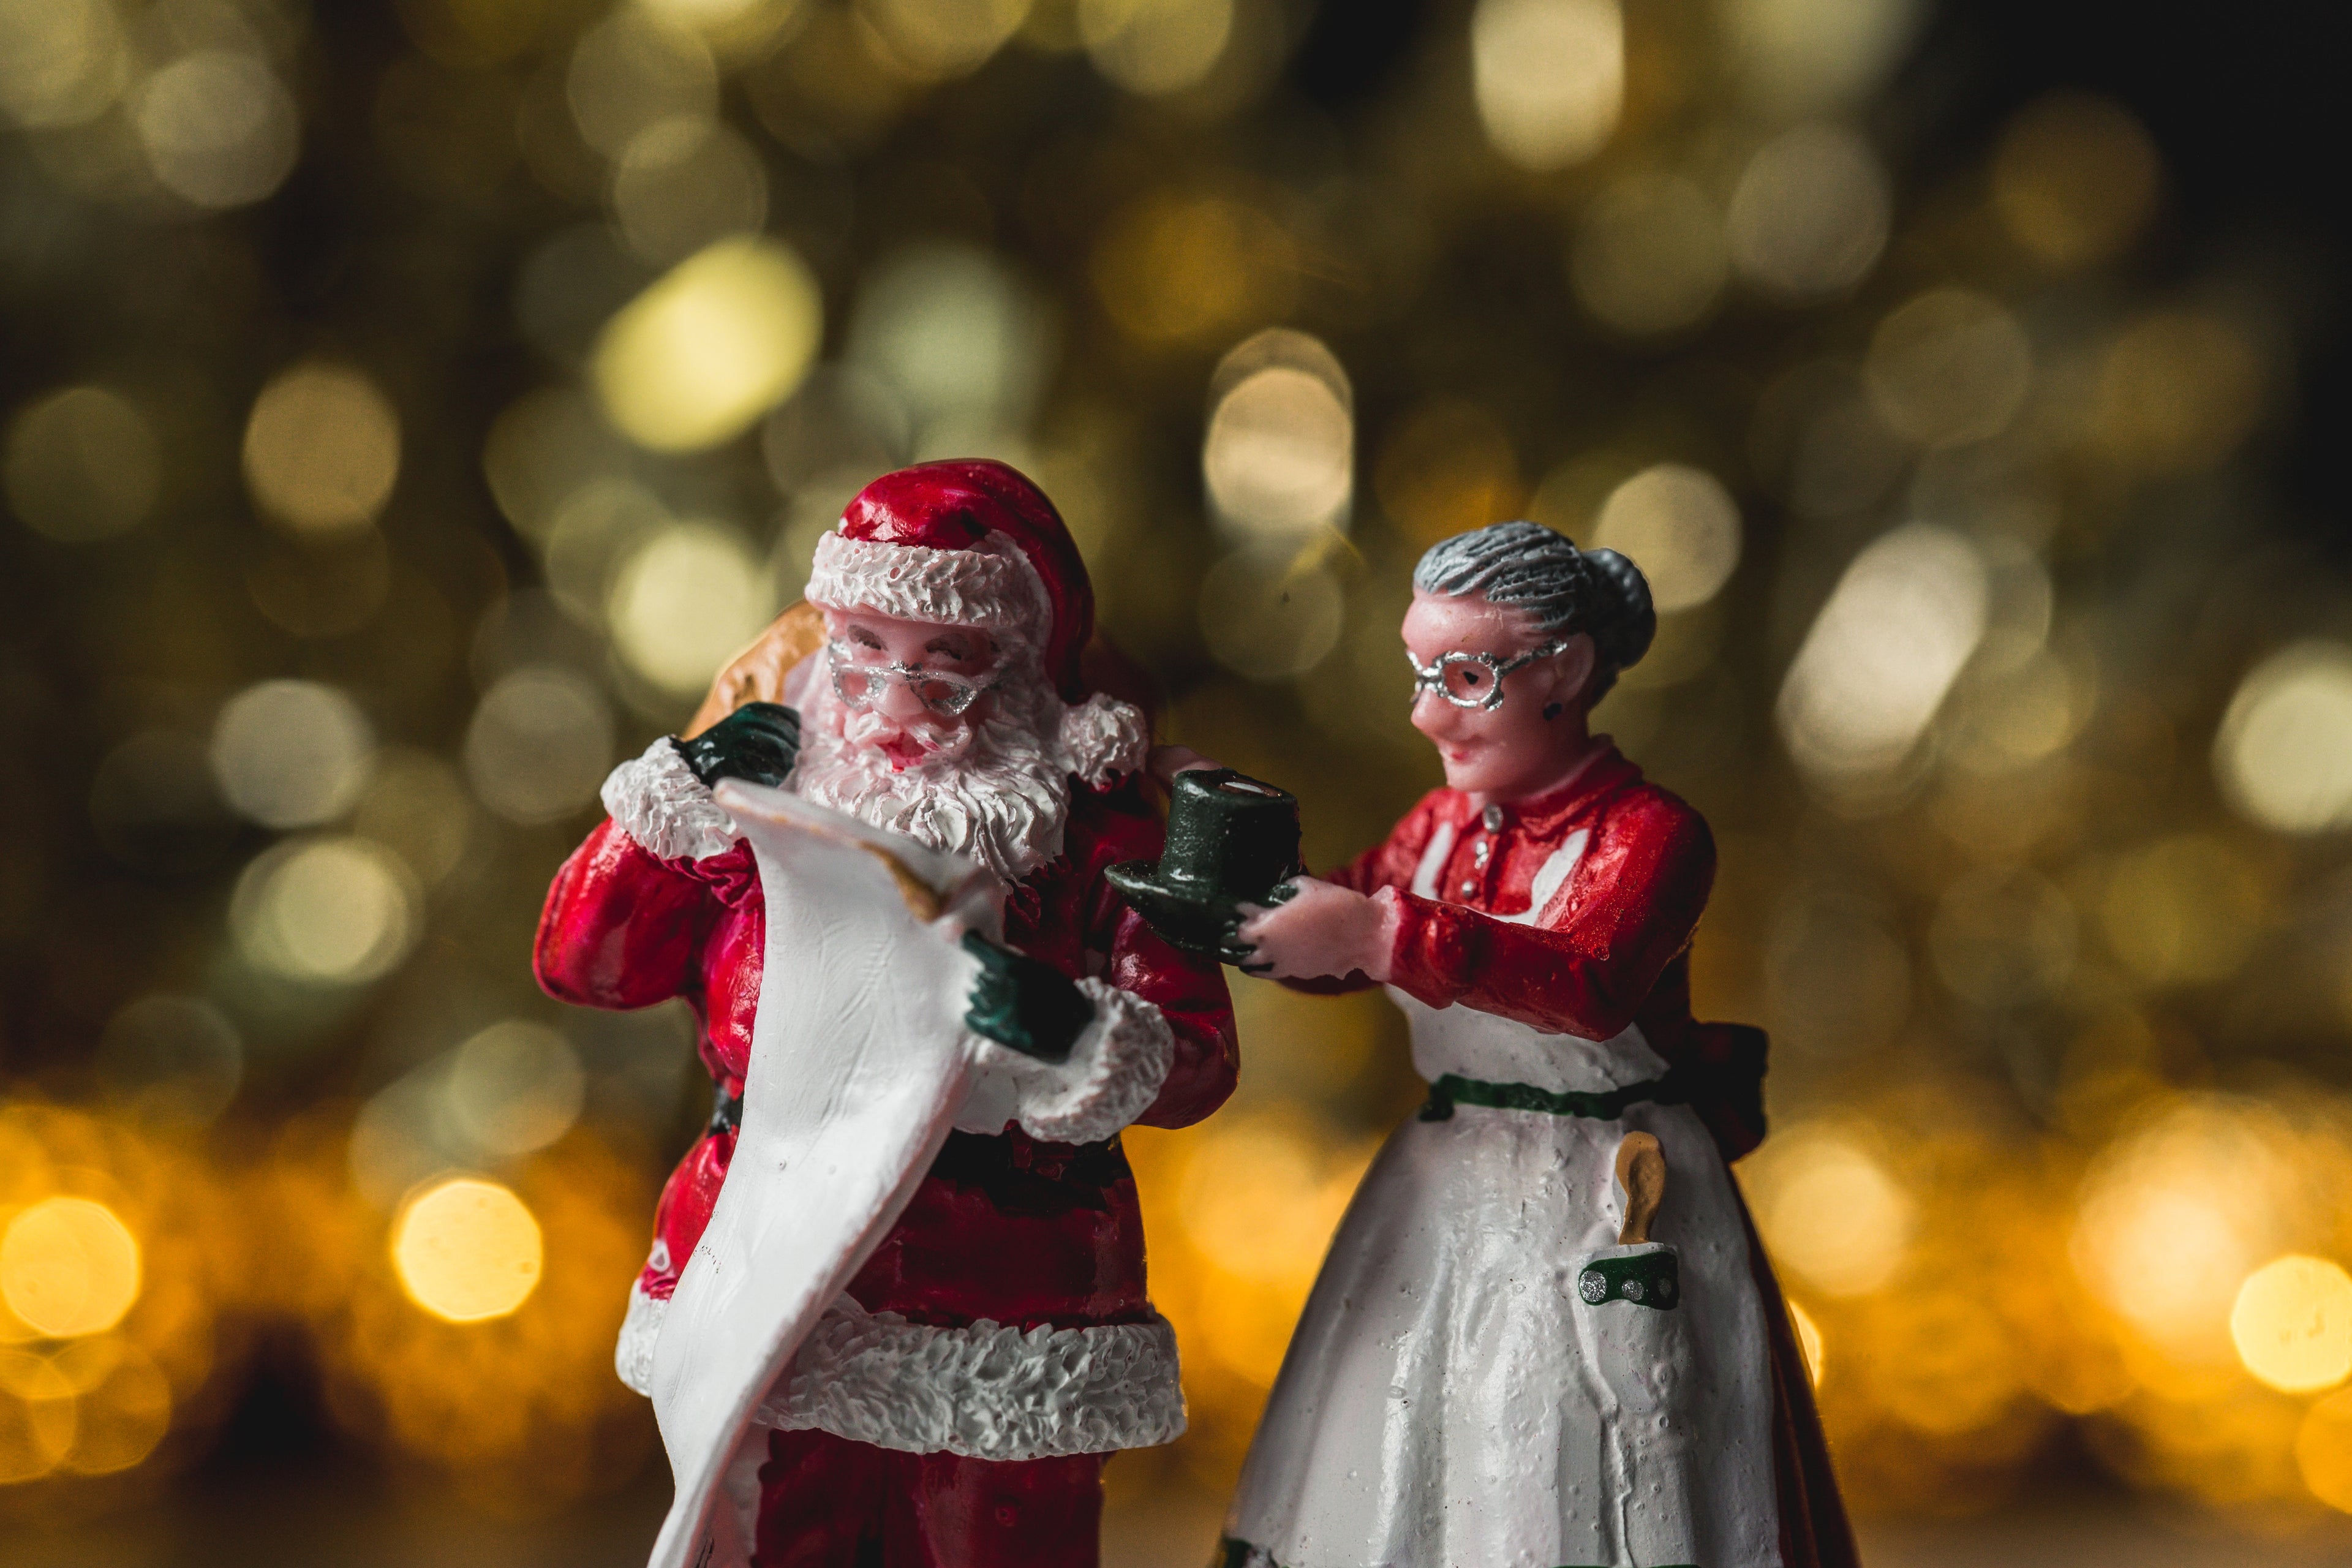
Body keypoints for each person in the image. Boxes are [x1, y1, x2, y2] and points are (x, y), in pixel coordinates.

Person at [533, 460, 1239, 1568]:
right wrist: (671, 801)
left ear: (1021, 664)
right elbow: (589, 965)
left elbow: (1198, 1052)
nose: (897, 708)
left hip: (1006, 1284)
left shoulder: (1097, 837)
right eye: (863, 653)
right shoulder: (756, 798)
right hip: (764, 1246)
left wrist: (1077, 1035)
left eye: (946, 669)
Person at [1212, 521, 1853, 1568]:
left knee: (1573, 1451)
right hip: (1447, 1181)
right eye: (1419, 674)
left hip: (1601, 1181)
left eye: (1466, 678)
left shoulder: (1650, 835)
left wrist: (1377, 933)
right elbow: (1341, 940)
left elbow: (1589, 980)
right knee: (1389, 1430)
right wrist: (1249, 893)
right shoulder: (1438, 827)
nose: (1427, 714)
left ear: (1567, 670)